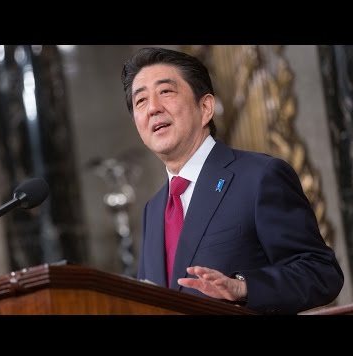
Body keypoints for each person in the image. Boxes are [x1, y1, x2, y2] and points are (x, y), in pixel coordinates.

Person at [121, 47, 344, 314]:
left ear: (205, 108)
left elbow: (321, 272)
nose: (153, 108)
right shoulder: (154, 209)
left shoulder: (260, 176)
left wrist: (244, 287)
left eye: (166, 92)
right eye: (141, 101)